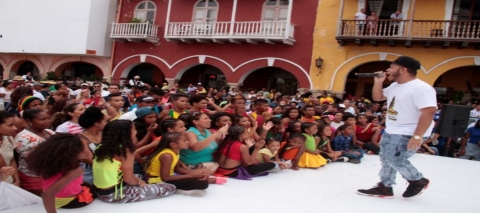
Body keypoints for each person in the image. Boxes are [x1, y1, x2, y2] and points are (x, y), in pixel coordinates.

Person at [357, 56, 436, 198]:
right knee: (385, 158)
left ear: (403, 70)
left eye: (391, 67)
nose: (388, 70)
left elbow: (429, 111)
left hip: (409, 131)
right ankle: (385, 186)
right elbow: (378, 97)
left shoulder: (421, 88)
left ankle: (417, 180)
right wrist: (378, 82)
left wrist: (417, 136)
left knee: (394, 159)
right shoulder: (395, 86)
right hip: (392, 129)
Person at [92, 120, 176, 203]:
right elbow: (128, 179)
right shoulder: (125, 151)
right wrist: (140, 183)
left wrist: (138, 180)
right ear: (126, 134)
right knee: (170, 187)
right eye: (134, 129)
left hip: (99, 190)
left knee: (138, 176)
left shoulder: (101, 146)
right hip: (114, 194)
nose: (136, 131)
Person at [26, 134, 95, 212]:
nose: (87, 151)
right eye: (83, 149)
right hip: (67, 202)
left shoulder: (55, 164)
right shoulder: (74, 171)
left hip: (59, 197)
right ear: (70, 153)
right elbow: (47, 195)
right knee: (95, 192)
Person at [144, 132, 221, 197]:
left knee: (203, 172)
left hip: (170, 175)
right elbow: (165, 178)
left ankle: (199, 180)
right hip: (157, 180)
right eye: (184, 141)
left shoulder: (175, 151)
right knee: (203, 184)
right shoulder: (167, 155)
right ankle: (178, 190)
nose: (188, 142)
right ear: (173, 144)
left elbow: (175, 168)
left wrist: (191, 172)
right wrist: (191, 176)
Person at [15, 109, 55, 196]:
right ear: (29, 121)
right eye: (42, 119)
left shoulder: (50, 132)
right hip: (34, 177)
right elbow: (35, 161)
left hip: (51, 173)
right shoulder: (24, 137)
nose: (47, 121)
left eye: (48, 118)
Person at [78, 107, 108, 184]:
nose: (106, 123)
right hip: (90, 173)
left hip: (106, 167)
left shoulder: (102, 134)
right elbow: (90, 160)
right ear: (96, 124)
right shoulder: (81, 139)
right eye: (105, 121)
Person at [0, 111, 19, 186]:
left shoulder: (9, 139)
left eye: (14, 125)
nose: (15, 128)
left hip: (8, 184)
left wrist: (17, 180)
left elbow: (11, 160)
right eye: (10, 125)